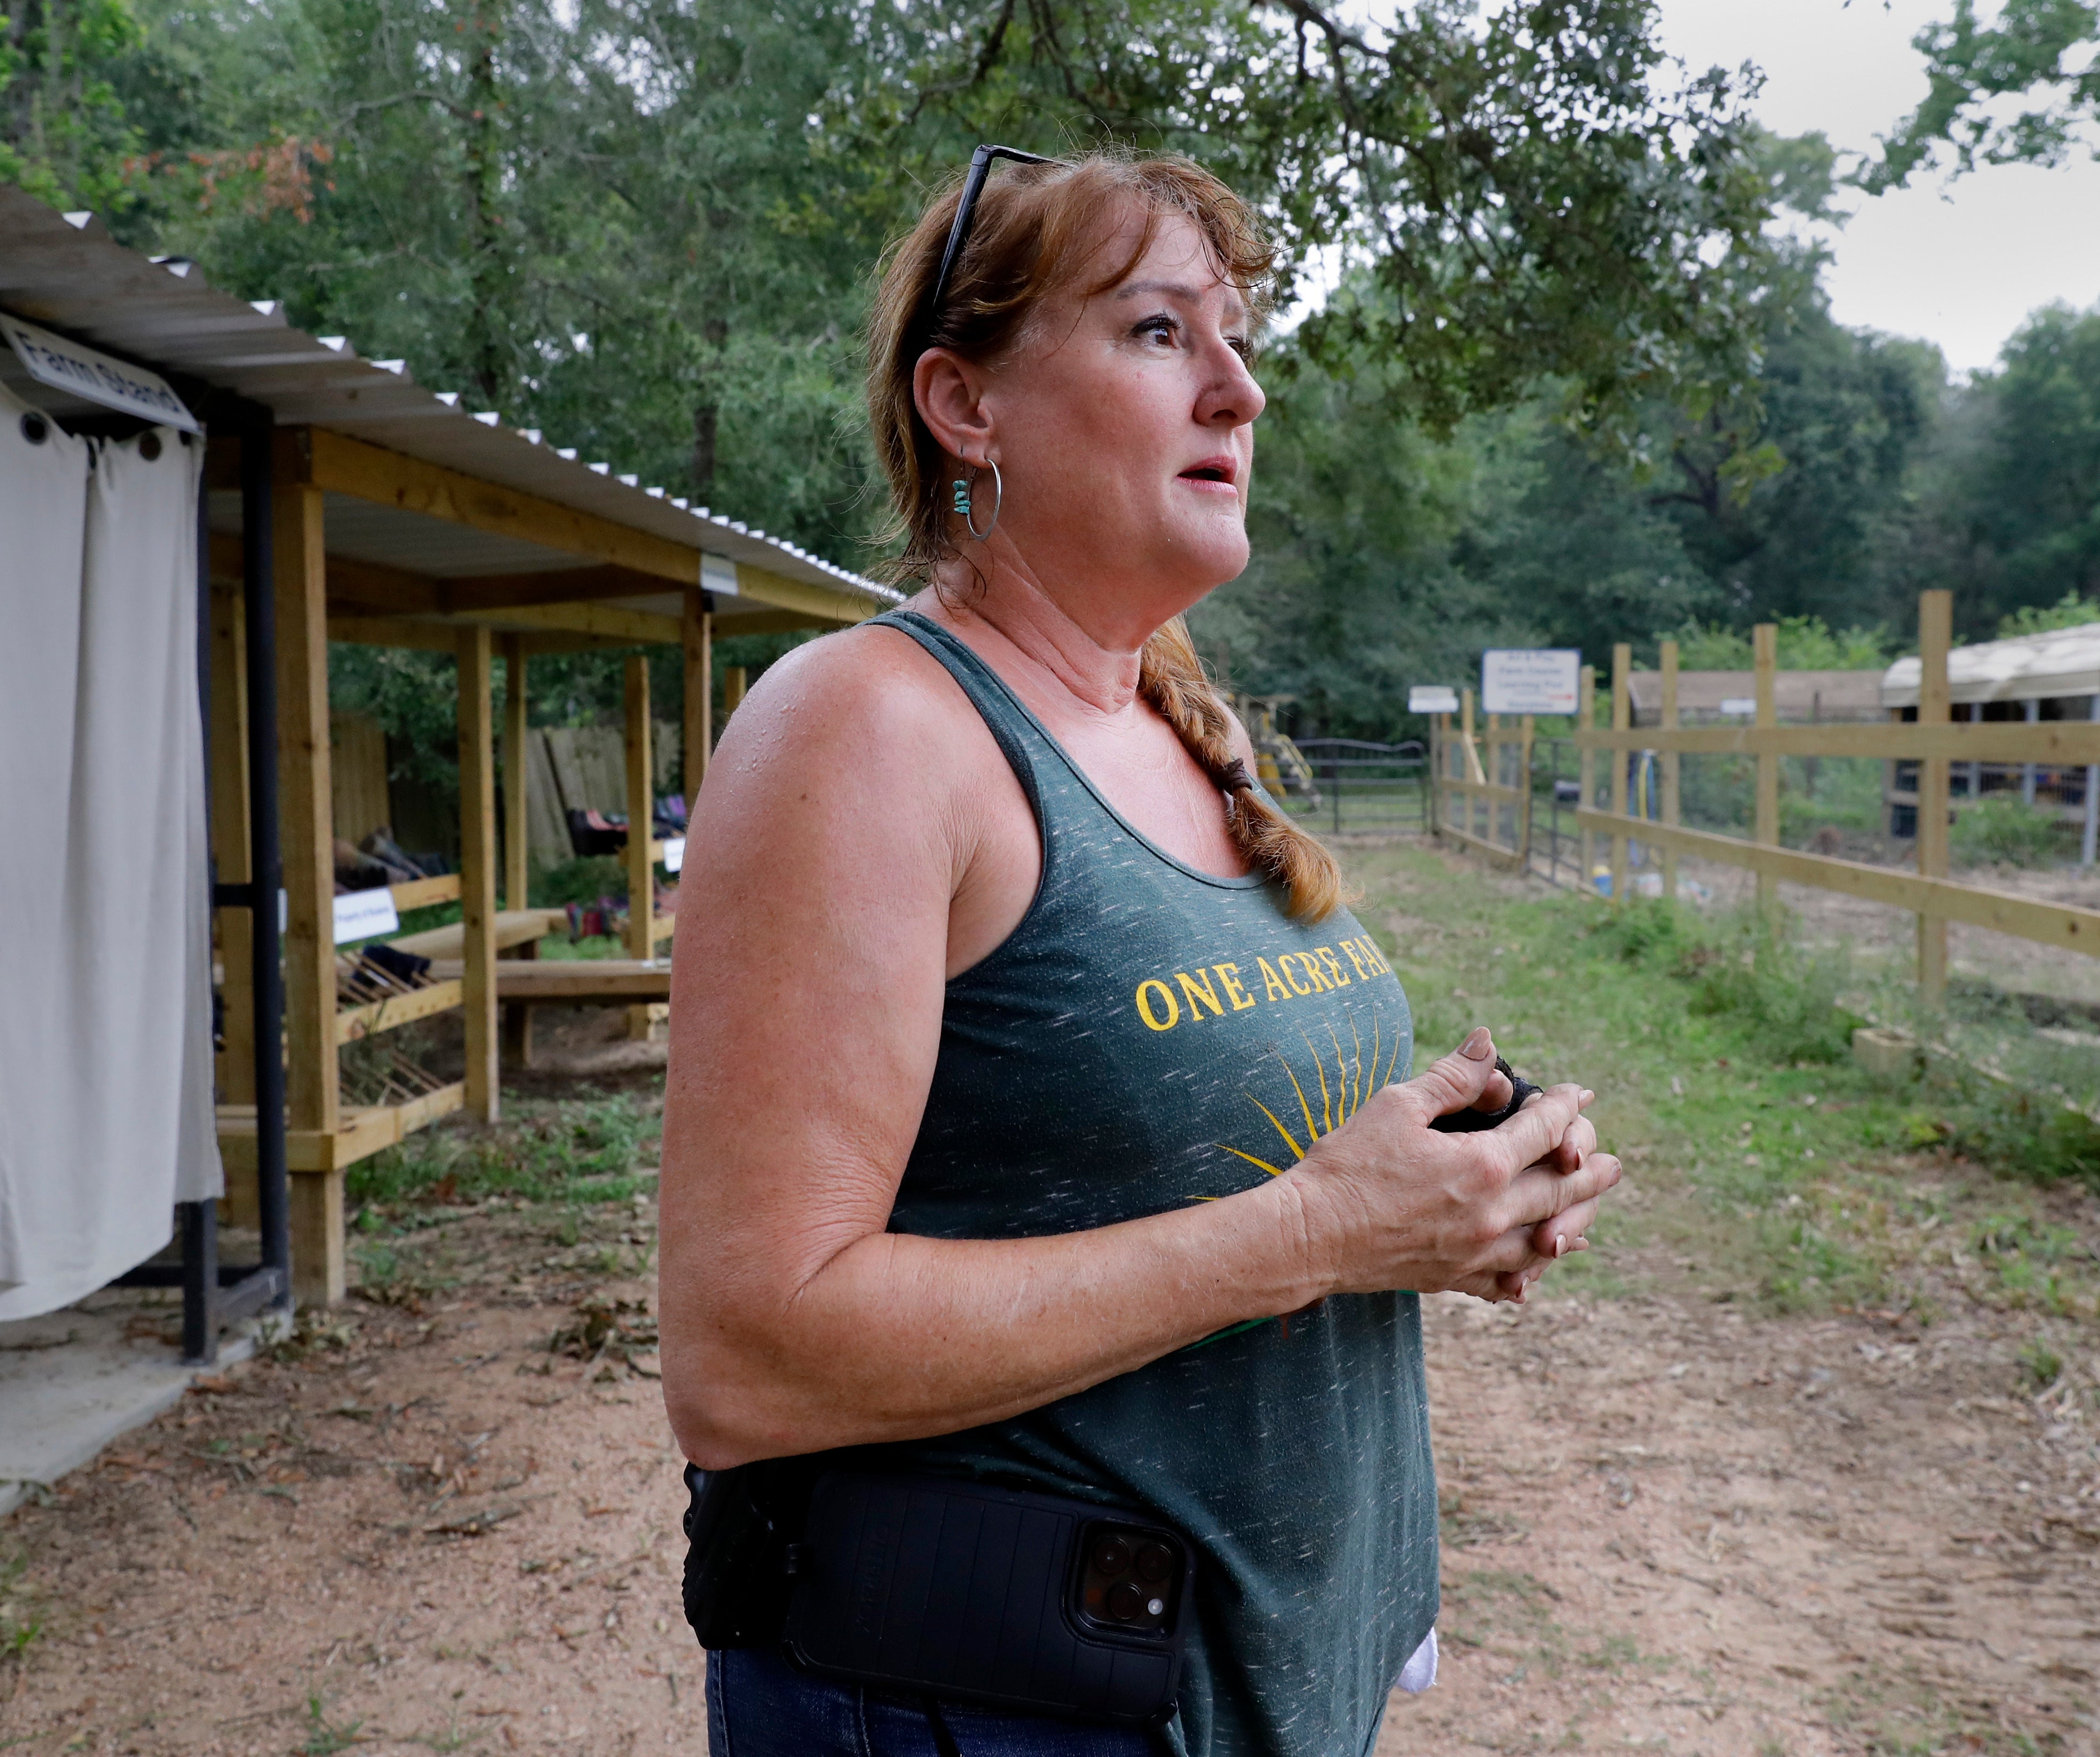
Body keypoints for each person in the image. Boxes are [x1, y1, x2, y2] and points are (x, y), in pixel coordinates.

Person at [658, 147, 1625, 1757]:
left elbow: (1205, 1168)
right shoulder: (869, 731)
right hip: (1003, 1707)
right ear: (967, 405)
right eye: (1161, 334)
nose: (1240, 392)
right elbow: (747, 1354)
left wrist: (1451, 1201)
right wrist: (1315, 1233)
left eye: (1237, 338)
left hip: (1253, 1689)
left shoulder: (1185, 731)